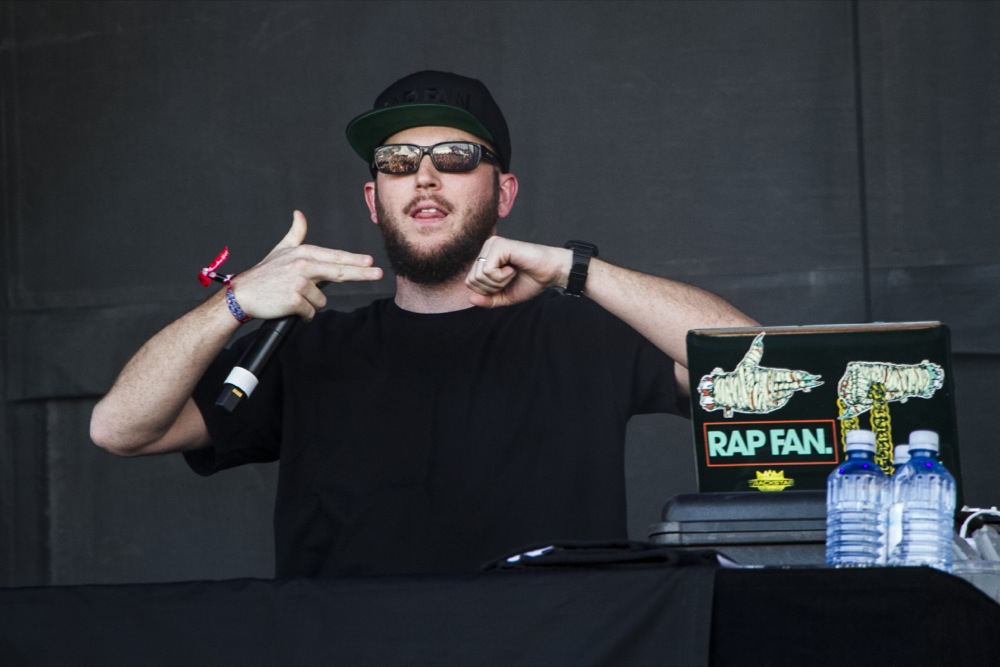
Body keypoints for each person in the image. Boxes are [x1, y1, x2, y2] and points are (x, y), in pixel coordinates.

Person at [90, 70, 758, 577]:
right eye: (398, 164)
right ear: (374, 199)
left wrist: (574, 271)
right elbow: (120, 427)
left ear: (504, 192)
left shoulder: (582, 331)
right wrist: (235, 301)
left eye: (457, 157)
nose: (426, 178)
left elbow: (760, 372)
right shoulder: (308, 349)